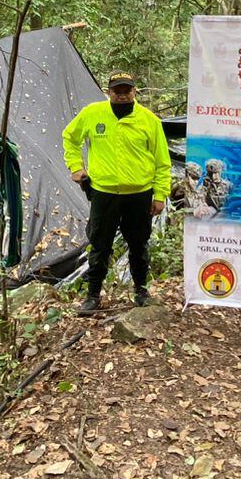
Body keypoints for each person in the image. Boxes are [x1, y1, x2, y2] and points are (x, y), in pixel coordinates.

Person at [62, 71, 171, 314]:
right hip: (104, 193)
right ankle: (92, 296)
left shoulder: (149, 120)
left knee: (138, 244)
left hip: (139, 194)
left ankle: (141, 290)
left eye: (126, 90)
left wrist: (160, 194)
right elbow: (70, 138)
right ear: (108, 92)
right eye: (117, 91)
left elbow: (162, 161)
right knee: (100, 245)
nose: (122, 95)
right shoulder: (92, 114)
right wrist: (76, 167)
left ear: (134, 92)